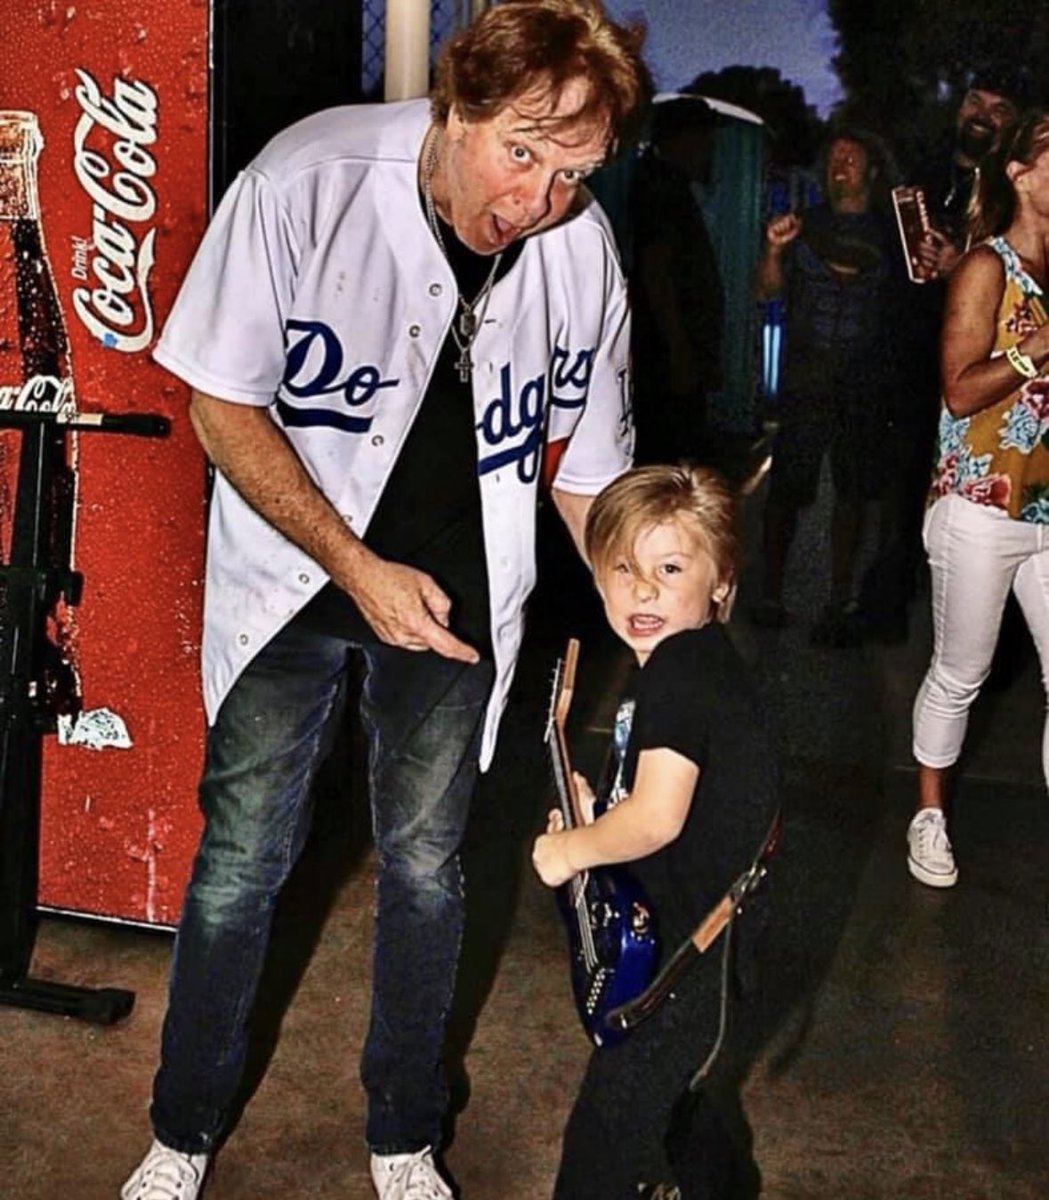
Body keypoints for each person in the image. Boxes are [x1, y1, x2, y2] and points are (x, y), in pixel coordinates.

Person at [120, 4, 652, 1199]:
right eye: (521, 150)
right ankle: (181, 1127)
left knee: (427, 866)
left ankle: (404, 1133)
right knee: (243, 860)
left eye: (573, 172)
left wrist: (637, 592)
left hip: (457, 606)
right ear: (455, 103)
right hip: (297, 580)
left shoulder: (579, 246)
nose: (540, 199)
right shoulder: (307, 177)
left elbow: (581, 463)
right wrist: (356, 570)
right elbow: (219, 405)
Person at [532, 465, 778, 1199]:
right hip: (702, 963)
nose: (642, 590)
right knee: (675, 1114)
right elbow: (659, 806)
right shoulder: (690, 669)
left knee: (600, 1154)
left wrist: (568, 849)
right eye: (622, 568)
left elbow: (656, 818)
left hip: (677, 972)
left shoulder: (679, 671)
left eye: (670, 568)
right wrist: (592, 812)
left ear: (721, 581)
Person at [907, 108, 1049, 890]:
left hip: (1047, 507)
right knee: (960, 670)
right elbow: (959, 392)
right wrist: (1032, 350)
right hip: (977, 503)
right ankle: (927, 816)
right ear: (1019, 175)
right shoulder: (982, 269)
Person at [854, 68, 1026, 643]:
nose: (982, 114)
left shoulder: (1015, 191)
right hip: (908, 367)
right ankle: (886, 610)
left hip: (985, 379)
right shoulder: (923, 177)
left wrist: (964, 267)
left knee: (979, 509)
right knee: (900, 494)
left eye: (999, 108)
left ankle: (985, 644)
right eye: (976, 100)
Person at [750, 129, 897, 645]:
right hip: (805, 382)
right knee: (787, 493)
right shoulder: (802, 226)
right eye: (834, 159)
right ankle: (769, 594)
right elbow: (765, 289)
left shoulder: (890, 234)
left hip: (864, 385)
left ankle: (840, 600)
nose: (841, 168)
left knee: (853, 496)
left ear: (871, 171)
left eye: (852, 160)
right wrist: (771, 249)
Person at [628, 96, 724, 465]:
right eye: (704, 138)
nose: (709, 149)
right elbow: (657, 270)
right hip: (667, 354)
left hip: (672, 350)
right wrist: (679, 349)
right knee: (668, 451)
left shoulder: (669, 182)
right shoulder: (659, 185)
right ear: (683, 139)